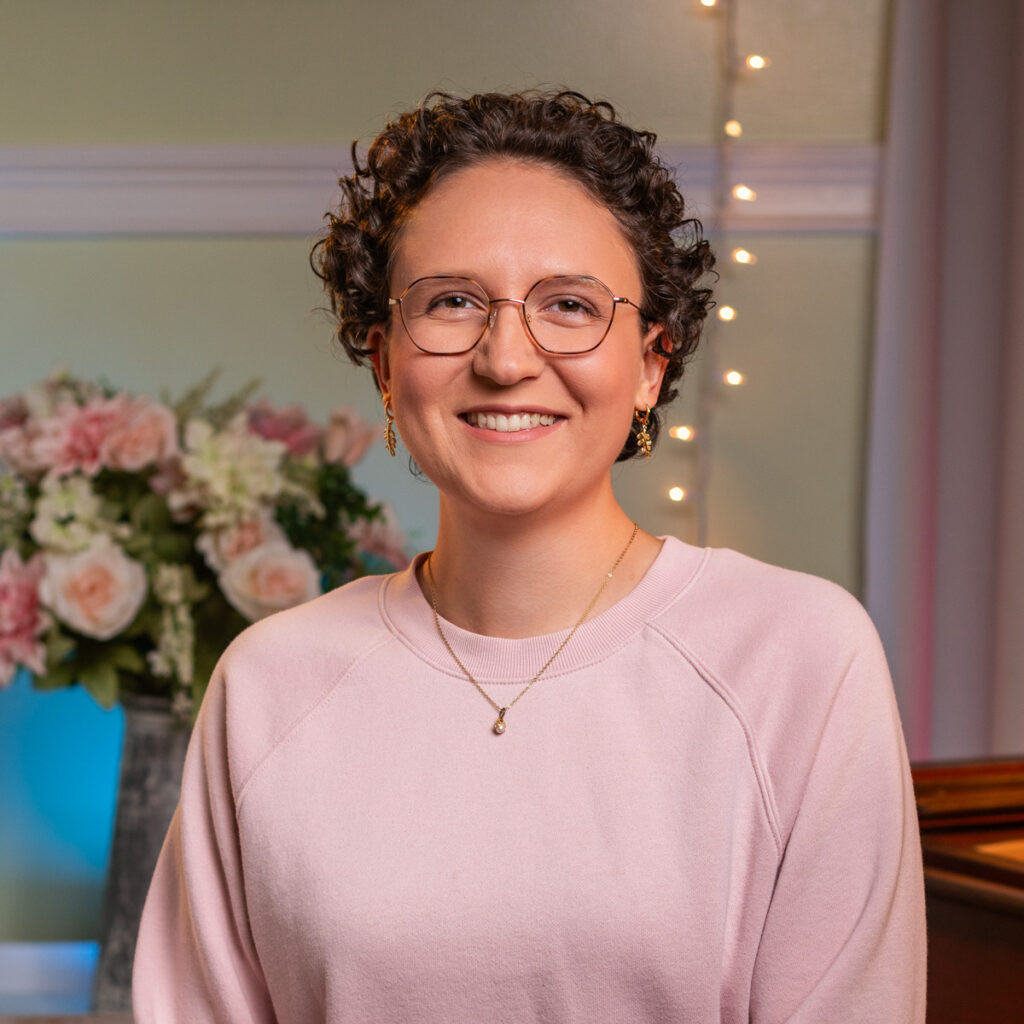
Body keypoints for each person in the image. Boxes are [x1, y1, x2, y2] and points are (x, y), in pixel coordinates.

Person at [132, 90, 926, 1023]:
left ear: (650, 363)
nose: (507, 357)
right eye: (454, 301)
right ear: (386, 364)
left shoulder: (800, 656)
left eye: (570, 305)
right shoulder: (267, 685)